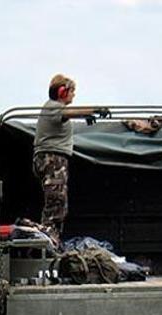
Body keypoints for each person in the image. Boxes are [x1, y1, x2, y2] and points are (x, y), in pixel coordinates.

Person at [33, 74, 109, 245]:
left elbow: (68, 115)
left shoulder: (56, 110)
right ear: (62, 91)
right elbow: (68, 113)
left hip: (53, 160)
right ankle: (47, 241)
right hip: (52, 160)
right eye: (72, 91)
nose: (74, 95)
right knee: (56, 203)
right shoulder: (53, 107)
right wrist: (94, 110)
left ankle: (52, 239)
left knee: (59, 203)